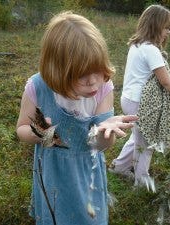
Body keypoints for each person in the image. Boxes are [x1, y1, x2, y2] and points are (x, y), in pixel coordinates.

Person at [16, 11, 138, 225]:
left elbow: (99, 145)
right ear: (57, 71)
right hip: (52, 172)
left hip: (86, 174)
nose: (93, 82)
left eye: (98, 71)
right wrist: (41, 133)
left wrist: (104, 133)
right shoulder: (38, 88)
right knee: (55, 216)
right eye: (82, 74)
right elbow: (22, 129)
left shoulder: (102, 89)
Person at [109, 4, 170, 186]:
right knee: (146, 145)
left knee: (138, 137)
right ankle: (142, 182)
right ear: (155, 25)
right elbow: (166, 82)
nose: (168, 33)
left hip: (129, 99)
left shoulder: (137, 45)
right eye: (166, 28)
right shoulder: (151, 50)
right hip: (141, 102)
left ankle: (118, 168)